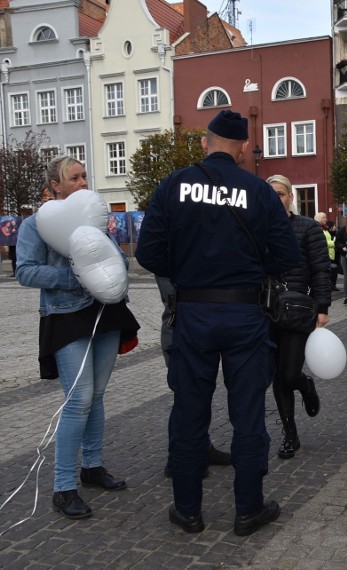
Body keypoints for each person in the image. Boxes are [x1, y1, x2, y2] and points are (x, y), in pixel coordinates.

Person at [136, 110, 300, 536]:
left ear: (206, 141)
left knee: (190, 413)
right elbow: (286, 257)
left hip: (191, 312)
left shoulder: (174, 185)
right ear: (243, 147)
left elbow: (148, 254)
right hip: (245, 313)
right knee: (247, 415)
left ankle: (188, 510)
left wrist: (189, 268)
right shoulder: (259, 192)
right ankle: (248, 509)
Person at [16, 155, 140, 519]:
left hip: (104, 312)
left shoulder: (93, 215)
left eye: (86, 175)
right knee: (78, 398)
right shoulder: (36, 224)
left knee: (97, 395)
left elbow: (113, 258)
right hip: (66, 315)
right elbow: (25, 271)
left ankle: (93, 466)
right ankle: (63, 487)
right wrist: (75, 278)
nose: (84, 181)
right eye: (75, 177)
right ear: (56, 185)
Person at [267, 175, 331, 459]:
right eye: (271, 194)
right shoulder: (257, 229)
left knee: (290, 373)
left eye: (281, 193)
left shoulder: (308, 228)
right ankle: (290, 435)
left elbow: (320, 270)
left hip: (297, 311)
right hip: (265, 312)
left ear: (290, 197)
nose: (276, 198)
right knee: (277, 378)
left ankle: (305, 384)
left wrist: (323, 308)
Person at [155, 275, 232, 479]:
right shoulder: (170, 246)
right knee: (185, 397)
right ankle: (177, 458)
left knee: (197, 395)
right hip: (180, 326)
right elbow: (172, 292)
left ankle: (203, 446)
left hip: (197, 325)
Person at [314, 211, 338, 292]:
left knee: (330, 271)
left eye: (326, 217)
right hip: (323, 254)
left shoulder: (325, 228)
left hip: (329, 253)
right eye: (324, 218)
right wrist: (333, 243)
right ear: (319, 219)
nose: (326, 219)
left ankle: (330, 285)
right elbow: (322, 241)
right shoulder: (318, 228)